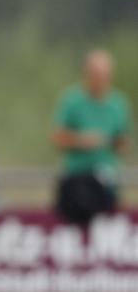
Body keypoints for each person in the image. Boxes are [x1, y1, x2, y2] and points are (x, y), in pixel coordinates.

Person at [52, 49, 131, 225]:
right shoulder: (72, 101)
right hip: (77, 177)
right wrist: (82, 140)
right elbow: (57, 138)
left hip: (107, 179)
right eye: (97, 74)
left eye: (105, 75)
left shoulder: (118, 103)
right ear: (87, 74)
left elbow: (124, 141)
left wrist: (112, 142)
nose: (101, 80)